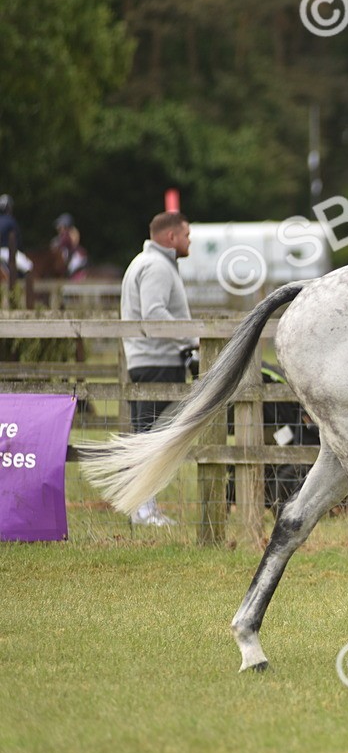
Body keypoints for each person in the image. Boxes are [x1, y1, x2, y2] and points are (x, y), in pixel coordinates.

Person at [120, 211, 198, 526]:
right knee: (151, 436)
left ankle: (144, 506)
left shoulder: (148, 263)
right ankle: (142, 508)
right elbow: (154, 315)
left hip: (151, 360)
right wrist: (194, 339)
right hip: (157, 361)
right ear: (171, 237)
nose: (189, 240)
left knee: (149, 433)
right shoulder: (156, 266)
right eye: (186, 235)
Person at [50, 213, 89, 280]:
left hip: (76, 255)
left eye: (60, 225)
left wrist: (55, 243)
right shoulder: (63, 234)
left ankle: (74, 279)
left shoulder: (68, 234)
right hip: (72, 253)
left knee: (70, 269)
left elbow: (60, 244)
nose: (58, 227)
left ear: (66, 225)